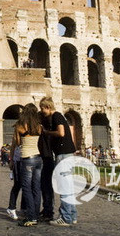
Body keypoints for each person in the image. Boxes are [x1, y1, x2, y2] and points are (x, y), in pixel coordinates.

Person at [40, 96, 77, 227]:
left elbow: (61, 133)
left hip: (63, 155)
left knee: (64, 187)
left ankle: (65, 217)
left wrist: (47, 132)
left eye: (42, 108)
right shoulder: (60, 116)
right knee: (69, 187)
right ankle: (72, 216)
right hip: (67, 154)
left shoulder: (56, 116)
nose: (42, 111)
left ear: (47, 107)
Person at [13, 103, 42, 227]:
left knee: (26, 188)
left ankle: (31, 217)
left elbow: (18, 143)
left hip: (26, 158)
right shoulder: (39, 126)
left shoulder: (20, 126)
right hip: (38, 158)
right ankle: (35, 214)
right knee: (36, 187)